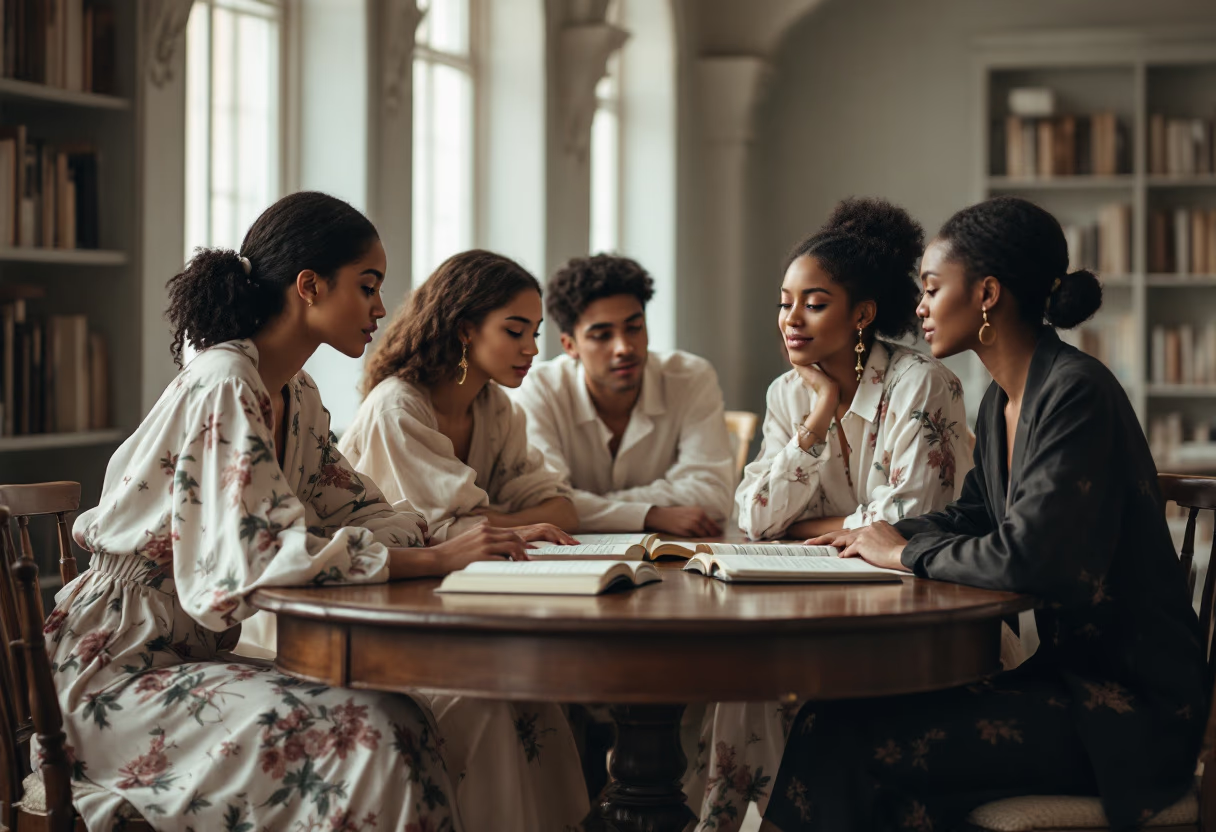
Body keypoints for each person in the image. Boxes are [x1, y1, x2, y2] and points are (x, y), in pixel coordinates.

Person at [47, 192, 531, 831]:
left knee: (413, 713)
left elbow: (361, 508)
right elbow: (255, 559)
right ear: (309, 286)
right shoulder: (225, 383)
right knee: (376, 729)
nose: (381, 308)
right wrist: (435, 558)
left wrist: (459, 535)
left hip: (187, 658)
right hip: (115, 674)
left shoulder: (295, 395)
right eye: (367, 286)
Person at [761, 196, 1207, 832]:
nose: (919, 308)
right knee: (835, 722)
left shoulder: (1076, 392)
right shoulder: (1002, 399)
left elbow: (1030, 559)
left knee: (846, 737)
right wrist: (866, 538)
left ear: (988, 294)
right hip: (1065, 682)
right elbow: (973, 514)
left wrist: (901, 552)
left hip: (1128, 711)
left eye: (932, 289)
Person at [691, 198, 973, 831]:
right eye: (784, 303)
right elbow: (755, 517)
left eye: (814, 304)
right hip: (810, 604)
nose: (791, 320)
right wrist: (819, 414)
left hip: (919, 613)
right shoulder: (790, 393)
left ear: (862, 314)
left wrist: (806, 527)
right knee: (747, 679)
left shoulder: (921, 384)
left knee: (789, 684)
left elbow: (909, 520)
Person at [339, 249, 590, 832]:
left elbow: (560, 509)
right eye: (515, 331)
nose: (532, 349)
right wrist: (500, 521)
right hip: (373, 614)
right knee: (495, 699)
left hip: (449, 603)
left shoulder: (496, 409)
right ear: (464, 329)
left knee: (532, 694)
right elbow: (456, 530)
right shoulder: (397, 406)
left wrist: (492, 520)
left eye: (535, 332)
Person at [514, 254, 735, 535]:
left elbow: (712, 496)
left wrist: (582, 505)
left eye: (634, 328)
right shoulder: (540, 389)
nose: (624, 348)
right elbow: (541, 504)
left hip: (676, 552)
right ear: (570, 345)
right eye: (602, 335)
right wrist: (650, 514)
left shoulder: (690, 377)